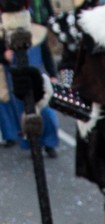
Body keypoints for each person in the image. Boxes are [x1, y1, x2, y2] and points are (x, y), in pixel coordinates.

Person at [0, 0, 60, 155]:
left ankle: (49, 142)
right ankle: (32, 143)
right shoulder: (4, 31)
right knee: (23, 111)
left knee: (46, 110)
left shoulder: (37, 31)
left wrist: (52, 74)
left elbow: (46, 54)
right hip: (15, 74)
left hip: (38, 73)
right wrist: (4, 56)